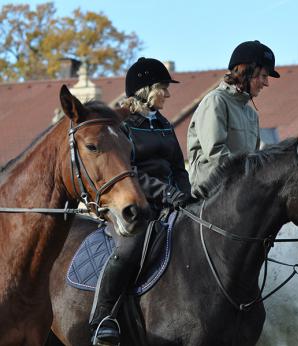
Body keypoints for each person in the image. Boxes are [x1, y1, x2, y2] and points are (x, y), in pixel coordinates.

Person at [90, 57, 191, 346]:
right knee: (131, 248)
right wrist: (164, 192)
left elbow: (178, 167)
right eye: (163, 88)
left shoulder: (163, 124)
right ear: (145, 89)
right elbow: (128, 171)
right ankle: (103, 317)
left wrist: (185, 194)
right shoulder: (122, 126)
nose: (168, 95)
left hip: (171, 203)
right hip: (132, 205)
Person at [187, 40, 279, 197]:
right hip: (211, 197)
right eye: (264, 76)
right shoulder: (216, 101)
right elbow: (216, 153)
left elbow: (253, 157)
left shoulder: (251, 114)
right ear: (247, 71)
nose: (267, 83)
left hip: (239, 192)